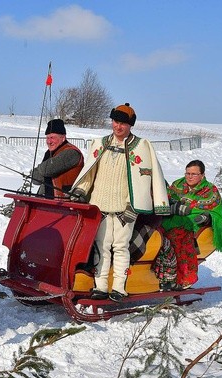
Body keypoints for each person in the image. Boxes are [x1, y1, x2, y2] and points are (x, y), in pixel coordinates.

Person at [68, 103, 170, 302]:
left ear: (130, 125)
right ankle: (101, 286)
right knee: (101, 246)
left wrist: (133, 206)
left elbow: (145, 178)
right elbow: (90, 172)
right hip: (100, 206)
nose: (118, 126)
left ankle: (119, 288)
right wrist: (80, 191)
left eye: (123, 123)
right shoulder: (100, 144)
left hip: (125, 209)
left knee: (121, 247)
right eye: (116, 121)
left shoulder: (141, 147)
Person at [153, 160, 222, 290]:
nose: (189, 176)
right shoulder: (177, 185)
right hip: (173, 219)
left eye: (194, 174)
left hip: (195, 224)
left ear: (202, 175)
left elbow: (217, 213)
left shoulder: (210, 190)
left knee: (177, 236)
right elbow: (166, 200)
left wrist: (206, 217)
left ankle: (182, 277)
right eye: (187, 173)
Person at [30, 118, 84, 198]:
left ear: (63, 138)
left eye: (52, 137)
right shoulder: (49, 153)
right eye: (47, 138)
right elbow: (35, 179)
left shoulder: (71, 152)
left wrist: (40, 170)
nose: (49, 141)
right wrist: (40, 171)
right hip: (46, 201)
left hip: (63, 203)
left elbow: (47, 170)